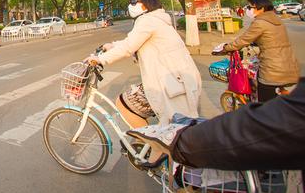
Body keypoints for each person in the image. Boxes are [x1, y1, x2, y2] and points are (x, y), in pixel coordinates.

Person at [127, 77, 305, 172]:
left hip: (168, 85)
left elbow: (272, 124)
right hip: (177, 82)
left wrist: (182, 142)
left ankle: (149, 150)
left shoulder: (147, 23)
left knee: (127, 104)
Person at [86, 0, 202, 128]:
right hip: (179, 79)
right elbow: (134, 41)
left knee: (124, 104)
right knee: (177, 128)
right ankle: (151, 143)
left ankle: (147, 142)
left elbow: (129, 47)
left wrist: (100, 59)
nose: (130, 5)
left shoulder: (147, 20)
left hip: (172, 83)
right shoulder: (157, 19)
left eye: (133, 2)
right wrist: (111, 45)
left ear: (146, 3)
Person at [213, 0, 299, 102]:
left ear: (261, 8)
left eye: (250, 7)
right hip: (288, 63)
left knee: (265, 103)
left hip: (272, 67)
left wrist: (225, 48)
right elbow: (271, 38)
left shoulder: (260, 22)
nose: (248, 10)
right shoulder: (276, 20)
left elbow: (243, 40)